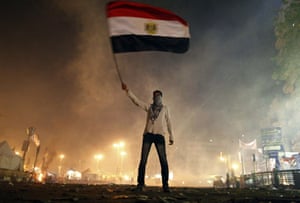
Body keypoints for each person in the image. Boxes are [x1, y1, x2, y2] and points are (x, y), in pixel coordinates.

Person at [121, 83, 174, 192]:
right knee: (143, 160)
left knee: (163, 160)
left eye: (159, 95)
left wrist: (171, 136)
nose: (157, 97)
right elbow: (137, 102)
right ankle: (140, 184)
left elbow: (169, 122)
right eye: (155, 95)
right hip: (148, 135)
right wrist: (128, 91)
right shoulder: (149, 107)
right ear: (153, 97)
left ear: (162, 97)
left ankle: (165, 185)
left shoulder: (165, 108)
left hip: (160, 135)